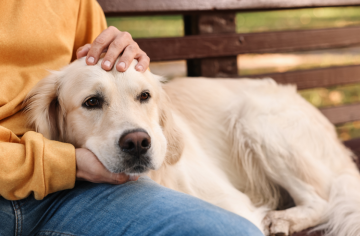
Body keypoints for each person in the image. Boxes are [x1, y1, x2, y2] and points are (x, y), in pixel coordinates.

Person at [0, 1, 263, 235]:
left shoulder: (75, 3)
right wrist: (66, 164)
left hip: (71, 190)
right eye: (93, 102)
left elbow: (96, 66)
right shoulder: (50, 116)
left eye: (143, 96)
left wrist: (118, 50)